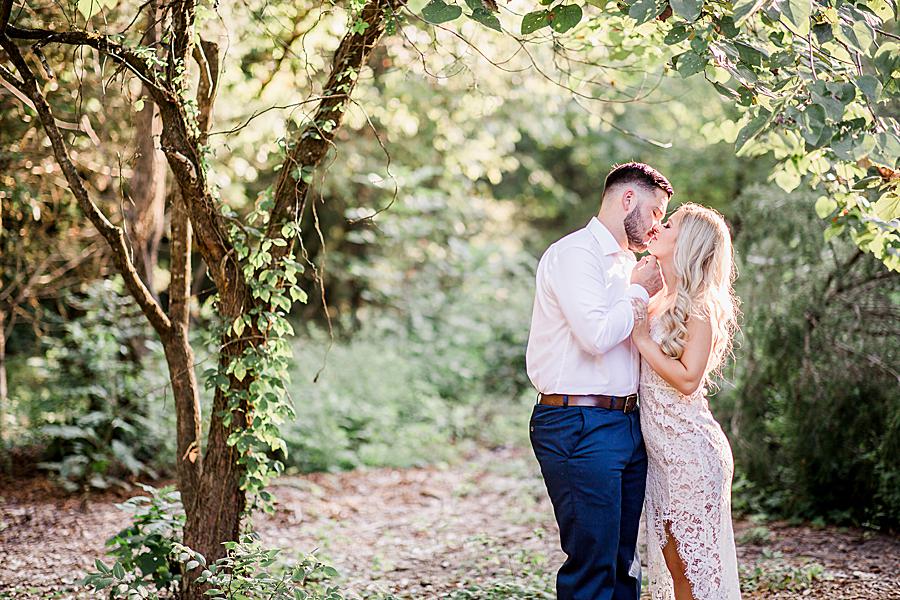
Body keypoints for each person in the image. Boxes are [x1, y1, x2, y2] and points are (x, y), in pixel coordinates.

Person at [526, 162, 672, 600]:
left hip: (627, 423)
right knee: (592, 562)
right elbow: (595, 336)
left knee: (624, 563)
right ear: (628, 200)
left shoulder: (630, 265)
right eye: (655, 212)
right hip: (577, 421)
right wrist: (640, 291)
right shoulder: (575, 255)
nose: (655, 226)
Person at [631, 203, 742, 600]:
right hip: (662, 456)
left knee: (694, 578)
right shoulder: (660, 299)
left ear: (688, 241)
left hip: (691, 453)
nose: (658, 225)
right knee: (678, 570)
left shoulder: (698, 304)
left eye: (670, 222)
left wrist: (643, 339)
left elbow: (690, 379)